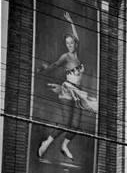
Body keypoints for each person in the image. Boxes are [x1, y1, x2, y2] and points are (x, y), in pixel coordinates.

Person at [35, 11, 97, 160]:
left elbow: (77, 36)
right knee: (65, 123)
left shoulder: (77, 54)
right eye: (67, 43)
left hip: (77, 92)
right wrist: (44, 69)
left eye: (72, 43)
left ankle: (64, 146)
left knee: (76, 126)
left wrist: (71, 22)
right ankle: (47, 143)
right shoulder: (66, 57)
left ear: (75, 43)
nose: (69, 45)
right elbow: (55, 65)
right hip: (67, 90)